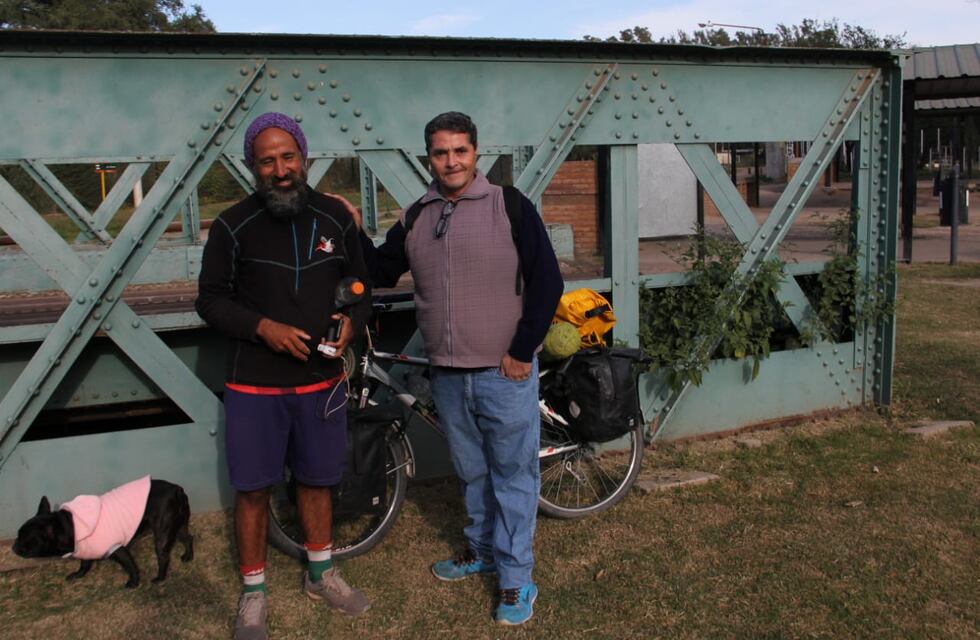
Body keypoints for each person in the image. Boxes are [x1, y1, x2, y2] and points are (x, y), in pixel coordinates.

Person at [354, 111, 563, 626]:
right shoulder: (417, 215)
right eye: (441, 152)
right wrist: (350, 228)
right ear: (429, 156)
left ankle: (516, 581)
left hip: (503, 371)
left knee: (513, 477)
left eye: (460, 151)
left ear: (476, 153)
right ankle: (481, 551)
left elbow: (548, 284)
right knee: (472, 472)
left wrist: (521, 350)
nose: (451, 161)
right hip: (445, 373)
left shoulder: (508, 206)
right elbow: (380, 270)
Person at [196, 112, 372, 640]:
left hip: (321, 379)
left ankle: (322, 574)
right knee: (253, 490)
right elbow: (209, 301)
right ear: (253, 166)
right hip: (254, 383)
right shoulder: (232, 224)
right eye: (267, 160)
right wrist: (262, 327)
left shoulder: (335, 217)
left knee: (318, 480)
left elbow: (361, 283)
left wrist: (352, 324)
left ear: (304, 157)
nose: (279, 169)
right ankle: (253, 593)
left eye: (288, 157)